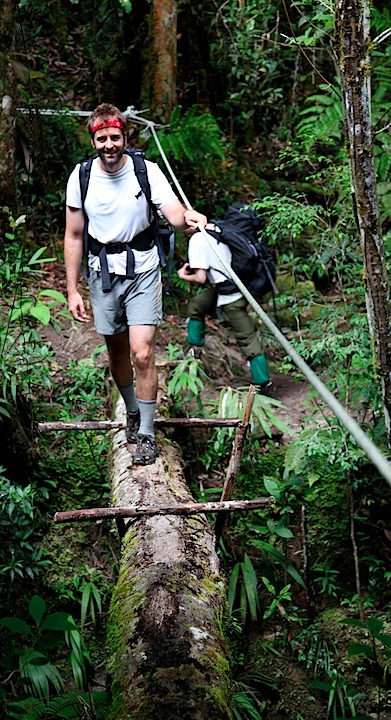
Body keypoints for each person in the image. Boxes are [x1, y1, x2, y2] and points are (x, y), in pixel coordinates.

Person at [64, 103, 207, 465]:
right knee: (116, 350)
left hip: (143, 267)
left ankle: (145, 431)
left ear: (125, 137)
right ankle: (130, 408)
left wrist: (187, 218)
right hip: (102, 271)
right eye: (102, 139)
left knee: (142, 352)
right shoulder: (80, 177)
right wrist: (71, 290)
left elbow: (172, 210)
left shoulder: (147, 171)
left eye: (115, 137)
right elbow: (74, 234)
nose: (109, 145)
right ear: (93, 141)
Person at [177, 223, 275, 396]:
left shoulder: (197, 240)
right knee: (197, 305)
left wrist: (183, 276)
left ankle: (264, 384)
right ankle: (193, 352)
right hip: (236, 286)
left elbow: (200, 278)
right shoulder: (216, 228)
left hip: (231, 296)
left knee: (247, 338)